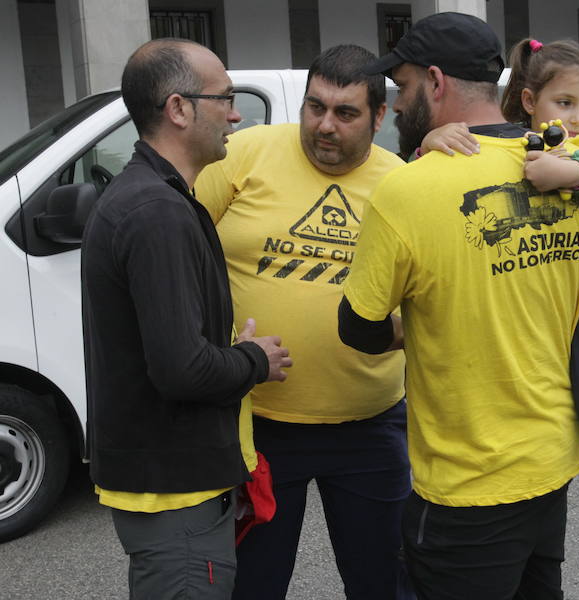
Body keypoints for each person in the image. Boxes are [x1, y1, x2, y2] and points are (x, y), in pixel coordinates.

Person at [338, 12, 579, 599]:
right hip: (551, 464)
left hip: (466, 484)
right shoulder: (574, 173)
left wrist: (412, 331)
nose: (397, 106)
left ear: (435, 81)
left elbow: (358, 327)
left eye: (401, 88)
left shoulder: (408, 189)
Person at [194, 44, 411, 599]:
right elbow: (180, 244)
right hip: (255, 423)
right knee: (254, 586)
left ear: (379, 117)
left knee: (383, 583)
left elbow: (431, 294)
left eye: (345, 113)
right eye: (315, 107)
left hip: (369, 426)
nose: (324, 125)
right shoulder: (243, 154)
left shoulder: (404, 184)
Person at [82, 38, 291, 600]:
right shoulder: (156, 212)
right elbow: (181, 370)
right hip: (176, 495)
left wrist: (225, 349)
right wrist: (254, 360)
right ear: (178, 109)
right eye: (224, 98)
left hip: (173, 484)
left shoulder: (156, 196)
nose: (236, 114)